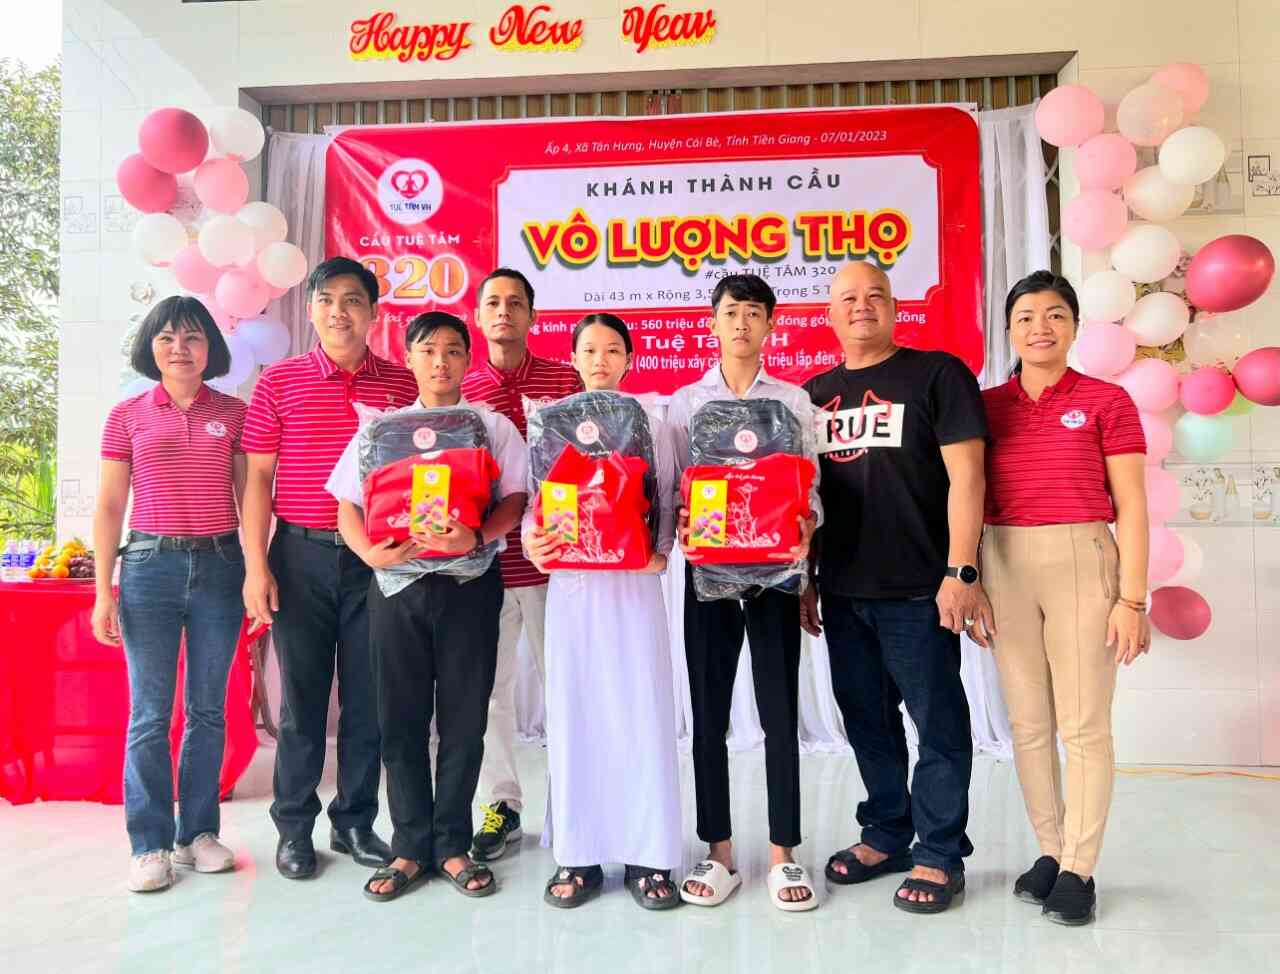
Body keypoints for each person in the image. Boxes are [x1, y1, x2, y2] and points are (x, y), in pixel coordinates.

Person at [803, 261, 989, 915]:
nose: (862, 305)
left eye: (875, 294)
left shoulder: (937, 375)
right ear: (830, 314)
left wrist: (961, 571)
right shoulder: (813, 394)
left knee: (937, 724)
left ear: (894, 305)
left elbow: (969, 478)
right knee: (867, 722)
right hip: (843, 590)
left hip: (920, 589)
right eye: (848, 297)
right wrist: (806, 579)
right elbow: (805, 498)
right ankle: (886, 833)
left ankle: (939, 852)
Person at [327, 311, 527, 901]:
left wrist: (479, 536)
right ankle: (410, 846)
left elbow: (517, 497)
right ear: (410, 359)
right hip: (397, 590)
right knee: (400, 718)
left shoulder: (490, 426)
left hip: (470, 588)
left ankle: (453, 844)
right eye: (428, 350)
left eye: (453, 351)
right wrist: (369, 553)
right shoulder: (381, 430)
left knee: (465, 719)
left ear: (467, 359)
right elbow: (347, 503)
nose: (441, 362)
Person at [973, 271, 1150, 926]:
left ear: (1075, 327)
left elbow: (1132, 504)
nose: (1040, 327)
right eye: (1025, 316)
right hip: (1003, 560)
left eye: (1054, 315)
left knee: (1083, 724)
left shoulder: (1107, 400)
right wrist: (971, 578)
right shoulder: (985, 406)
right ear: (1009, 330)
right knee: (1027, 722)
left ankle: (1080, 866)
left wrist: (1132, 600)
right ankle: (1050, 849)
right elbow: (965, 495)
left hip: (1082, 556)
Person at [242, 257, 418, 879]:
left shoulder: (401, 386)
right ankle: (294, 828)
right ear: (311, 309)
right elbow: (257, 479)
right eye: (327, 300)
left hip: (378, 561)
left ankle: (354, 822)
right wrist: (256, 566)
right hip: (300, 557)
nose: (339, 312)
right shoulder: (278, 382)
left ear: (373, 313)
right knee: (303, 702)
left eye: (352, 300)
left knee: (370, 699)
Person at [668, 273, 821, 913]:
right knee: (707, 715)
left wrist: (808, 530)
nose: (741, 323)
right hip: (708, 574)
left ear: (770, 325)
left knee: (780, 711)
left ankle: (785, 853)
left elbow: (812, 486)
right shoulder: (685, 403)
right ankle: (720, 851)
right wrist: (679, 524)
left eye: (754, 313)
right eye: (731, 312)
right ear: (713, 322)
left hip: (776, 574)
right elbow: (673, 484)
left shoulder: (793, 401)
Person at [522, 314, 682, 911]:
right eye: (589, 349)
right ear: (573, 358)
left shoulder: (651, 422)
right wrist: (535, 541)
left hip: (634, 589)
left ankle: (649, 853)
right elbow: (535, 502)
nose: (600, 360)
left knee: (641, 712)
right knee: (577, 713)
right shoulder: (550, 422)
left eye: (613, 349)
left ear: (629, 359)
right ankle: (580, 853)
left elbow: (670, 495)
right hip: (574, 590)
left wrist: (659, 553)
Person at [92, 296, 247, 892]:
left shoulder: (234, 413)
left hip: (221, 566)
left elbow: (250, 500)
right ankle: (150, 843)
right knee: (150, 713)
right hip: (148, 568)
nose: (179, 348)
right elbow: (110, 506)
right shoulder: (127, 415)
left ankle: (197, 833)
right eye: (166, 338)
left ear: (211, 347)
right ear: (150, 347)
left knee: (208, 710)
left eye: (192, 337)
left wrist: (257, 571)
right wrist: (103, 591)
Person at [460, 268, 583, 861]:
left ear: (533, 316)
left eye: (515, 303)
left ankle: (574, 801)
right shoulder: (461, 387)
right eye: (493, 303)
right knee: (489, 693)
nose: (503, 312)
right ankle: (501, 803)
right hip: (482, 566)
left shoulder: (565, 379)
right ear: (478, 317)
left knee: (567, 687)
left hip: (557, 568)